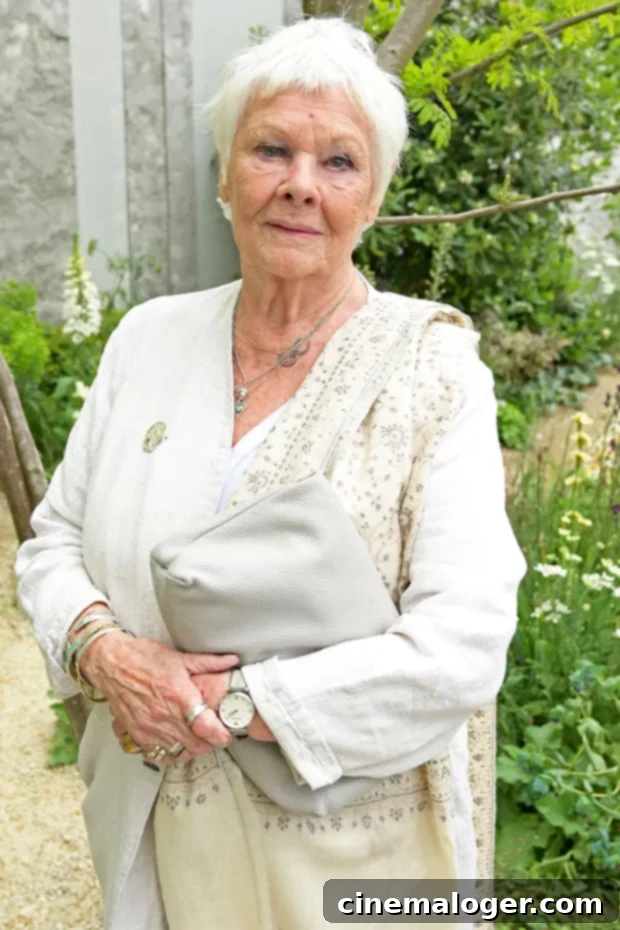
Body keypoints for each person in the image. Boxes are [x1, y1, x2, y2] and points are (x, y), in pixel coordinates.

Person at [14, 16, 527, 930]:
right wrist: (107, 653)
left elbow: (463, 645)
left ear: (372, 197)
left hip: (347, 865)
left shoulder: (433, 369)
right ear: (223, 175)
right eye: (271, 149)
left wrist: (227, 703)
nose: (299, 185)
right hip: (153, 839)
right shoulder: (149, 338)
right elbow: (53, 543)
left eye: (338, 162)